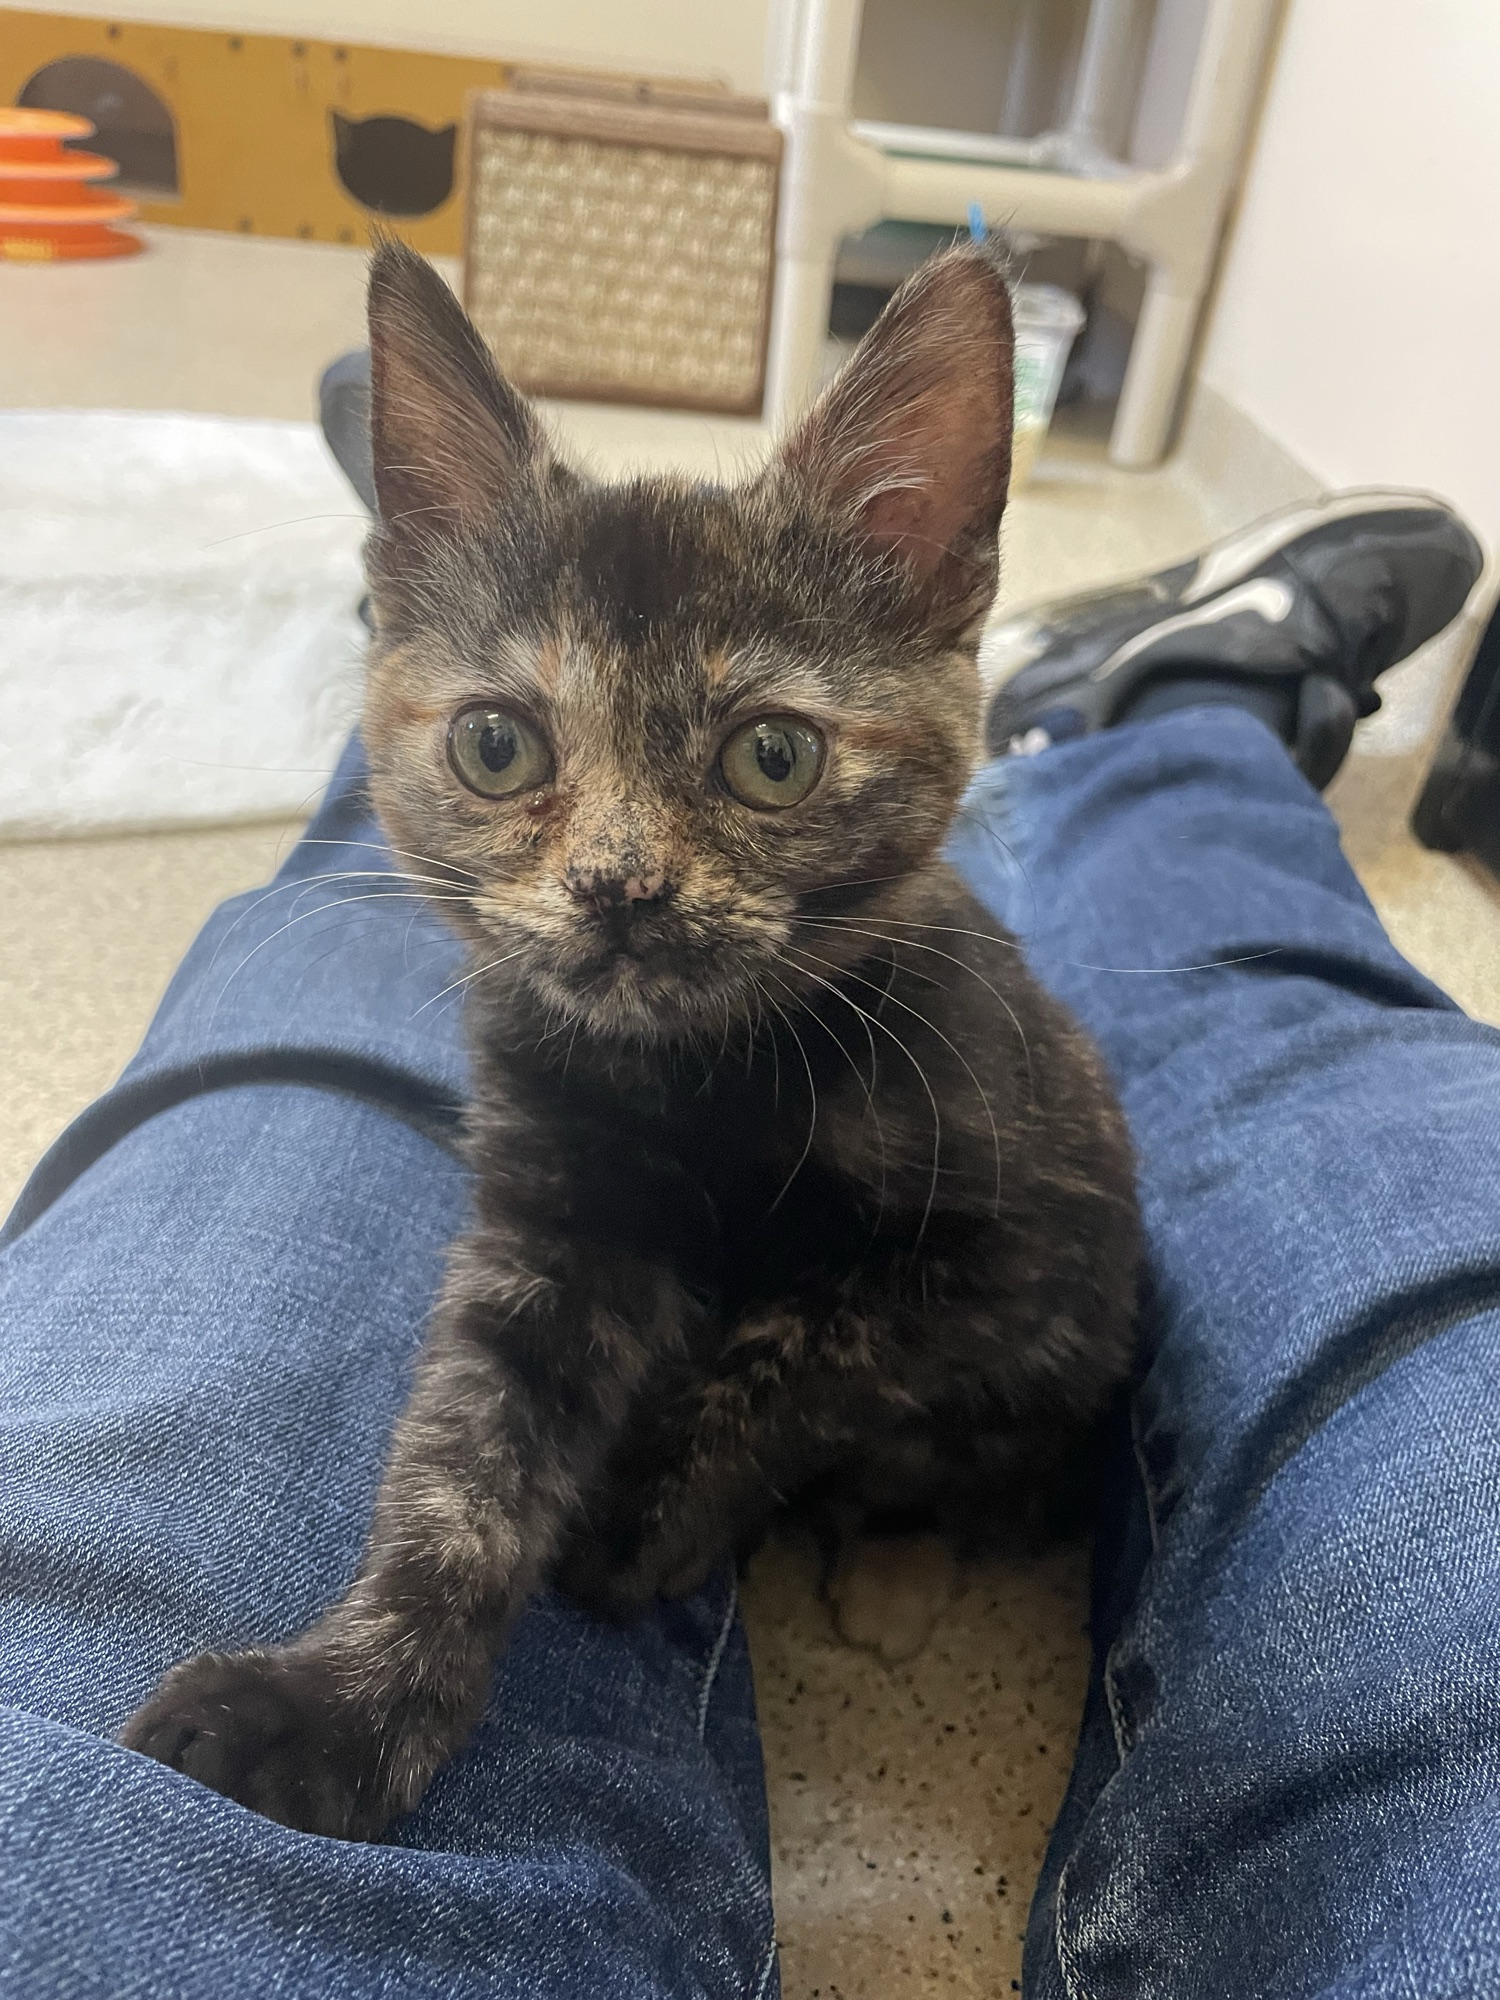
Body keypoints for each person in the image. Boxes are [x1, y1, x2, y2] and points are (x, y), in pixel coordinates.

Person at [1, 462, 1495, 1999]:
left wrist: (708, 1448)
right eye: (511, 749)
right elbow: (537, 1290)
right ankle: (1165, 727)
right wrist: (392, 1666)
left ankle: (1162, 715)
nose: (615, 872)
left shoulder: (931, 1039)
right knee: (1292, 1030)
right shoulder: (556, 959)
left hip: (937, 1385)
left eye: (767, 757)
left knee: (1262, 1035)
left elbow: (1004, 1264)